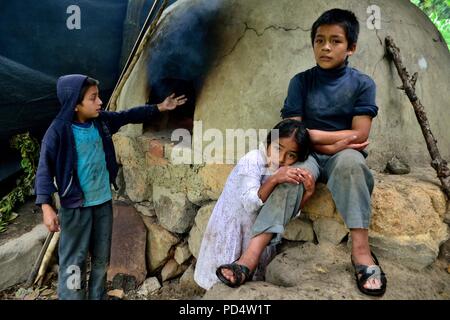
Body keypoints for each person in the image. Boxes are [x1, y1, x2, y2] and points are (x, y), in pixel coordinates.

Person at [216, 8, 387, 297]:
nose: (326, 47)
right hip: (305, 153)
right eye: (319, 40)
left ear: (352, 47)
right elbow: (294, 136)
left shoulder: (362, 84)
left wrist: (328, 141)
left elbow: (361, 136)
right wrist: (338, 139)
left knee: (351, 166)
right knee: (289, 174)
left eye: (335, 41)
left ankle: (361, 252)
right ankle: (249, 258)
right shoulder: (301, 82)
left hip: (344, 155)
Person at [35, 74, 187, 300]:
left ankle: (98, 295)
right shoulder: (58, 131)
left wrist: (160, 107)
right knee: (74, 261)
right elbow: (44, 170)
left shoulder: (101, 121)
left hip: (102, 203)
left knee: (101, 258)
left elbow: (127, 116)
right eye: (93, 98)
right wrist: (46, 206)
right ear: (75, 104)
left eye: (99, 97)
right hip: (76, 208)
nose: (100, 102)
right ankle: (73, 297)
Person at [194, 119, 317, 290]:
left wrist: (309, 193)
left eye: (291, 155)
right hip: (231, 229)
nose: (281, 158)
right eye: (277, 148)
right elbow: (251, 204)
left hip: (255, 236)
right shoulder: (252, 160)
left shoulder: (285, 172)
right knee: (219, 283)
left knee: (246, 286)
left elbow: (284, 214)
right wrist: (274, 179)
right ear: (268, 142)